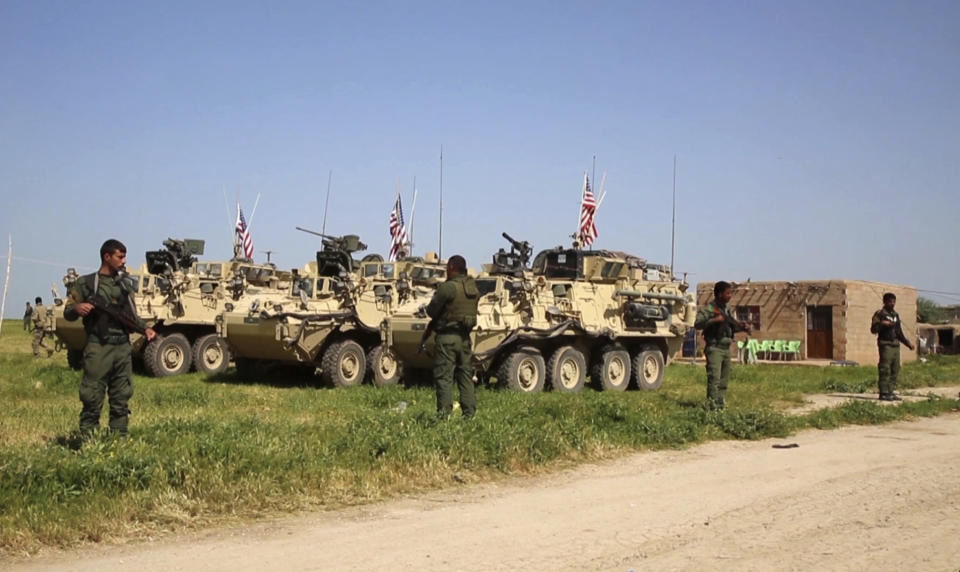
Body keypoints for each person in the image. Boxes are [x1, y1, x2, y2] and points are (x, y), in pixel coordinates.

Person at [64, 239, 157, 436]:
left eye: (124, 256)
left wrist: (145, 329)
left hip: (122, 347)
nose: (124, 261)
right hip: (99, 346)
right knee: (92, 394)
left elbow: (130, 317)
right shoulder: (87, 283)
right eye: (120, 256)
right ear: (107, 257)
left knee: (121, 395)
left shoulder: (124, 285)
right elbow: (68, 311)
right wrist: (77, 308)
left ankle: (118, 436)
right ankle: (89, 438)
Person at [425, 254, 479, 418]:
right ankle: (469, 414)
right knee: (465, 376)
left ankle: (443, 415)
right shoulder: (472, 288)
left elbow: (431, 311)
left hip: (447, 338)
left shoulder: (448, 287)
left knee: (444, 377)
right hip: (464, 338)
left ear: (451, 268)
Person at [694, 281, 751, 410]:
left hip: (726, 348)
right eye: (728, 293)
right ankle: (712, 406)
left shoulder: (727, 309)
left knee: (724, 380)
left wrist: (742, 328)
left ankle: (720, 405)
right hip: (715, 348)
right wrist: (714, 320)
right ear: (719, 294)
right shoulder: (710, 308)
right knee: (714, 378)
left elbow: (729, 327)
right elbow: (697, 324)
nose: (730, 296)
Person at [871, 292, 914, 401]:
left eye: (894, 301)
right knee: (885, 368)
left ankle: (890, 391)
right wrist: (882, 324)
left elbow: (899, 332)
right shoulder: (880, 314)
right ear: (884, 302)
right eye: (890, 301)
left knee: (895, 368)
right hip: (885, 344)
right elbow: (873, 329)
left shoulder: (895, 315)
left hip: (895, 345)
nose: (892, 303)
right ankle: (883, 392)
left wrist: (908, 343)